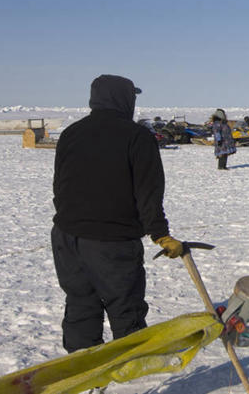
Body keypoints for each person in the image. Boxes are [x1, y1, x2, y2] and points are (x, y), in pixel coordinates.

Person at [51, 74, 183, 354]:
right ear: (124, 99)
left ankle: (82, 365)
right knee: (125, 307)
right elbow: (149, 193)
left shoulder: (71, 133)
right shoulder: (137, 137)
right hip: (111, 241)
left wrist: (70, 219)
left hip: (66, 237)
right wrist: (161, 234)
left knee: (80, 302)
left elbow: (58, 185)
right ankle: (130, 367)